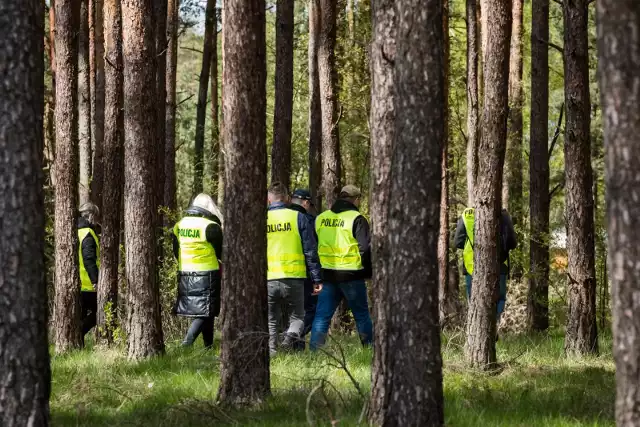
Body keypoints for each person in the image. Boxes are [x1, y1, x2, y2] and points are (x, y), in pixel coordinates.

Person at [310, 185, 373, 350]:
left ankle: (314, 352)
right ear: (356, 199)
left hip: (327, 275)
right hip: (351, 275)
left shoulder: (321, 218)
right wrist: (368, 272)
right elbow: (365, 249)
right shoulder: (357, 218)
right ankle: (370, 350)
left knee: (322, 317)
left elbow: (314, 245)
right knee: (362, 316)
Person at [267, 182, 322, 355]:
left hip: (269, 277)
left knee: (271, 320)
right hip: (295, 277)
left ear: (269, 199)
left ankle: (272, 353)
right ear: (287, 198)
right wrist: (317, 278)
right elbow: (310, 251)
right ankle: (288, 339)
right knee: (298, 317)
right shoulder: (299, 218)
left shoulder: (261, 219)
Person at [173, 193, 223, 348]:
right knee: (206, 311)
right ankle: (187, 343)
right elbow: (221, 253)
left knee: (207, 311)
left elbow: (176, 250)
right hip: (207, 273)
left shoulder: (179, 225)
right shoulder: (210, 226)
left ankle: (208, 346)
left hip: (185, 273)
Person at [454, 207, 517, 324]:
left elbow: (457, 242)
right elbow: (512, 243)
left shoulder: (467, 215)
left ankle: (477, 328)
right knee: (499, 298)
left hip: (471, 267)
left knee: (474, 299)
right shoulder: (503, 215)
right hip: (499, 266)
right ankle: (495, 325)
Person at [289, 189, 318, 349]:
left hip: (277, 273)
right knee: (310, 310)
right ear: (306, 203)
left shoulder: (279, 217)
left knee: (289, 313)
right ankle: (294, 337)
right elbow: (312, 250)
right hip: (304, 273)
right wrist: (317, 276)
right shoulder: (308, 220)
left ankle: (295, 346)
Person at [78, 202, 100, 344]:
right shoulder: (88, 234)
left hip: (77, 283)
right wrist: (95, 280)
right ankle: (78, 333)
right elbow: (89, 259)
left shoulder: (74, 230)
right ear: (91, 216)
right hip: (88, 285)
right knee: (100, 313)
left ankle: (77, 346)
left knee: (80, 316)